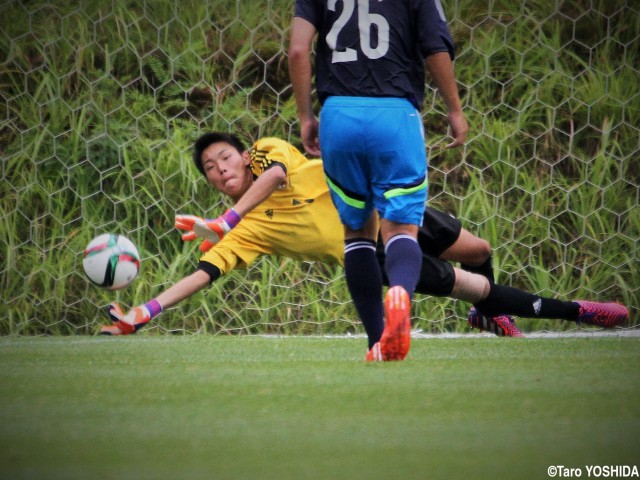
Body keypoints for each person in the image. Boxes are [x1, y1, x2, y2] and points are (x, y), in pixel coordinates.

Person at [100, 133, 629, 361]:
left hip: (394, 209)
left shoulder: (266, 153)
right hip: (371, 254)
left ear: (242, 153)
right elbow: (204, 273)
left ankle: (488, 316)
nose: (221, 169)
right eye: (211, 170)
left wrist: (224, 217)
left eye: (224, 158)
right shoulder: (243, 233)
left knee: (478, 249)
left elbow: (280, 172)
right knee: (477, 286)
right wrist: (143, 312)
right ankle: (580, 313)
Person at [288, 1, 469, 361]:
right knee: (401, 229)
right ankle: (400, 292)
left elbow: (297, 49)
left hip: (339, 115)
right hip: (395, 115)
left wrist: (306, 115)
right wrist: (454, 109)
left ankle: (376, 342)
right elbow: (435, 47)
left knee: (356, 234)